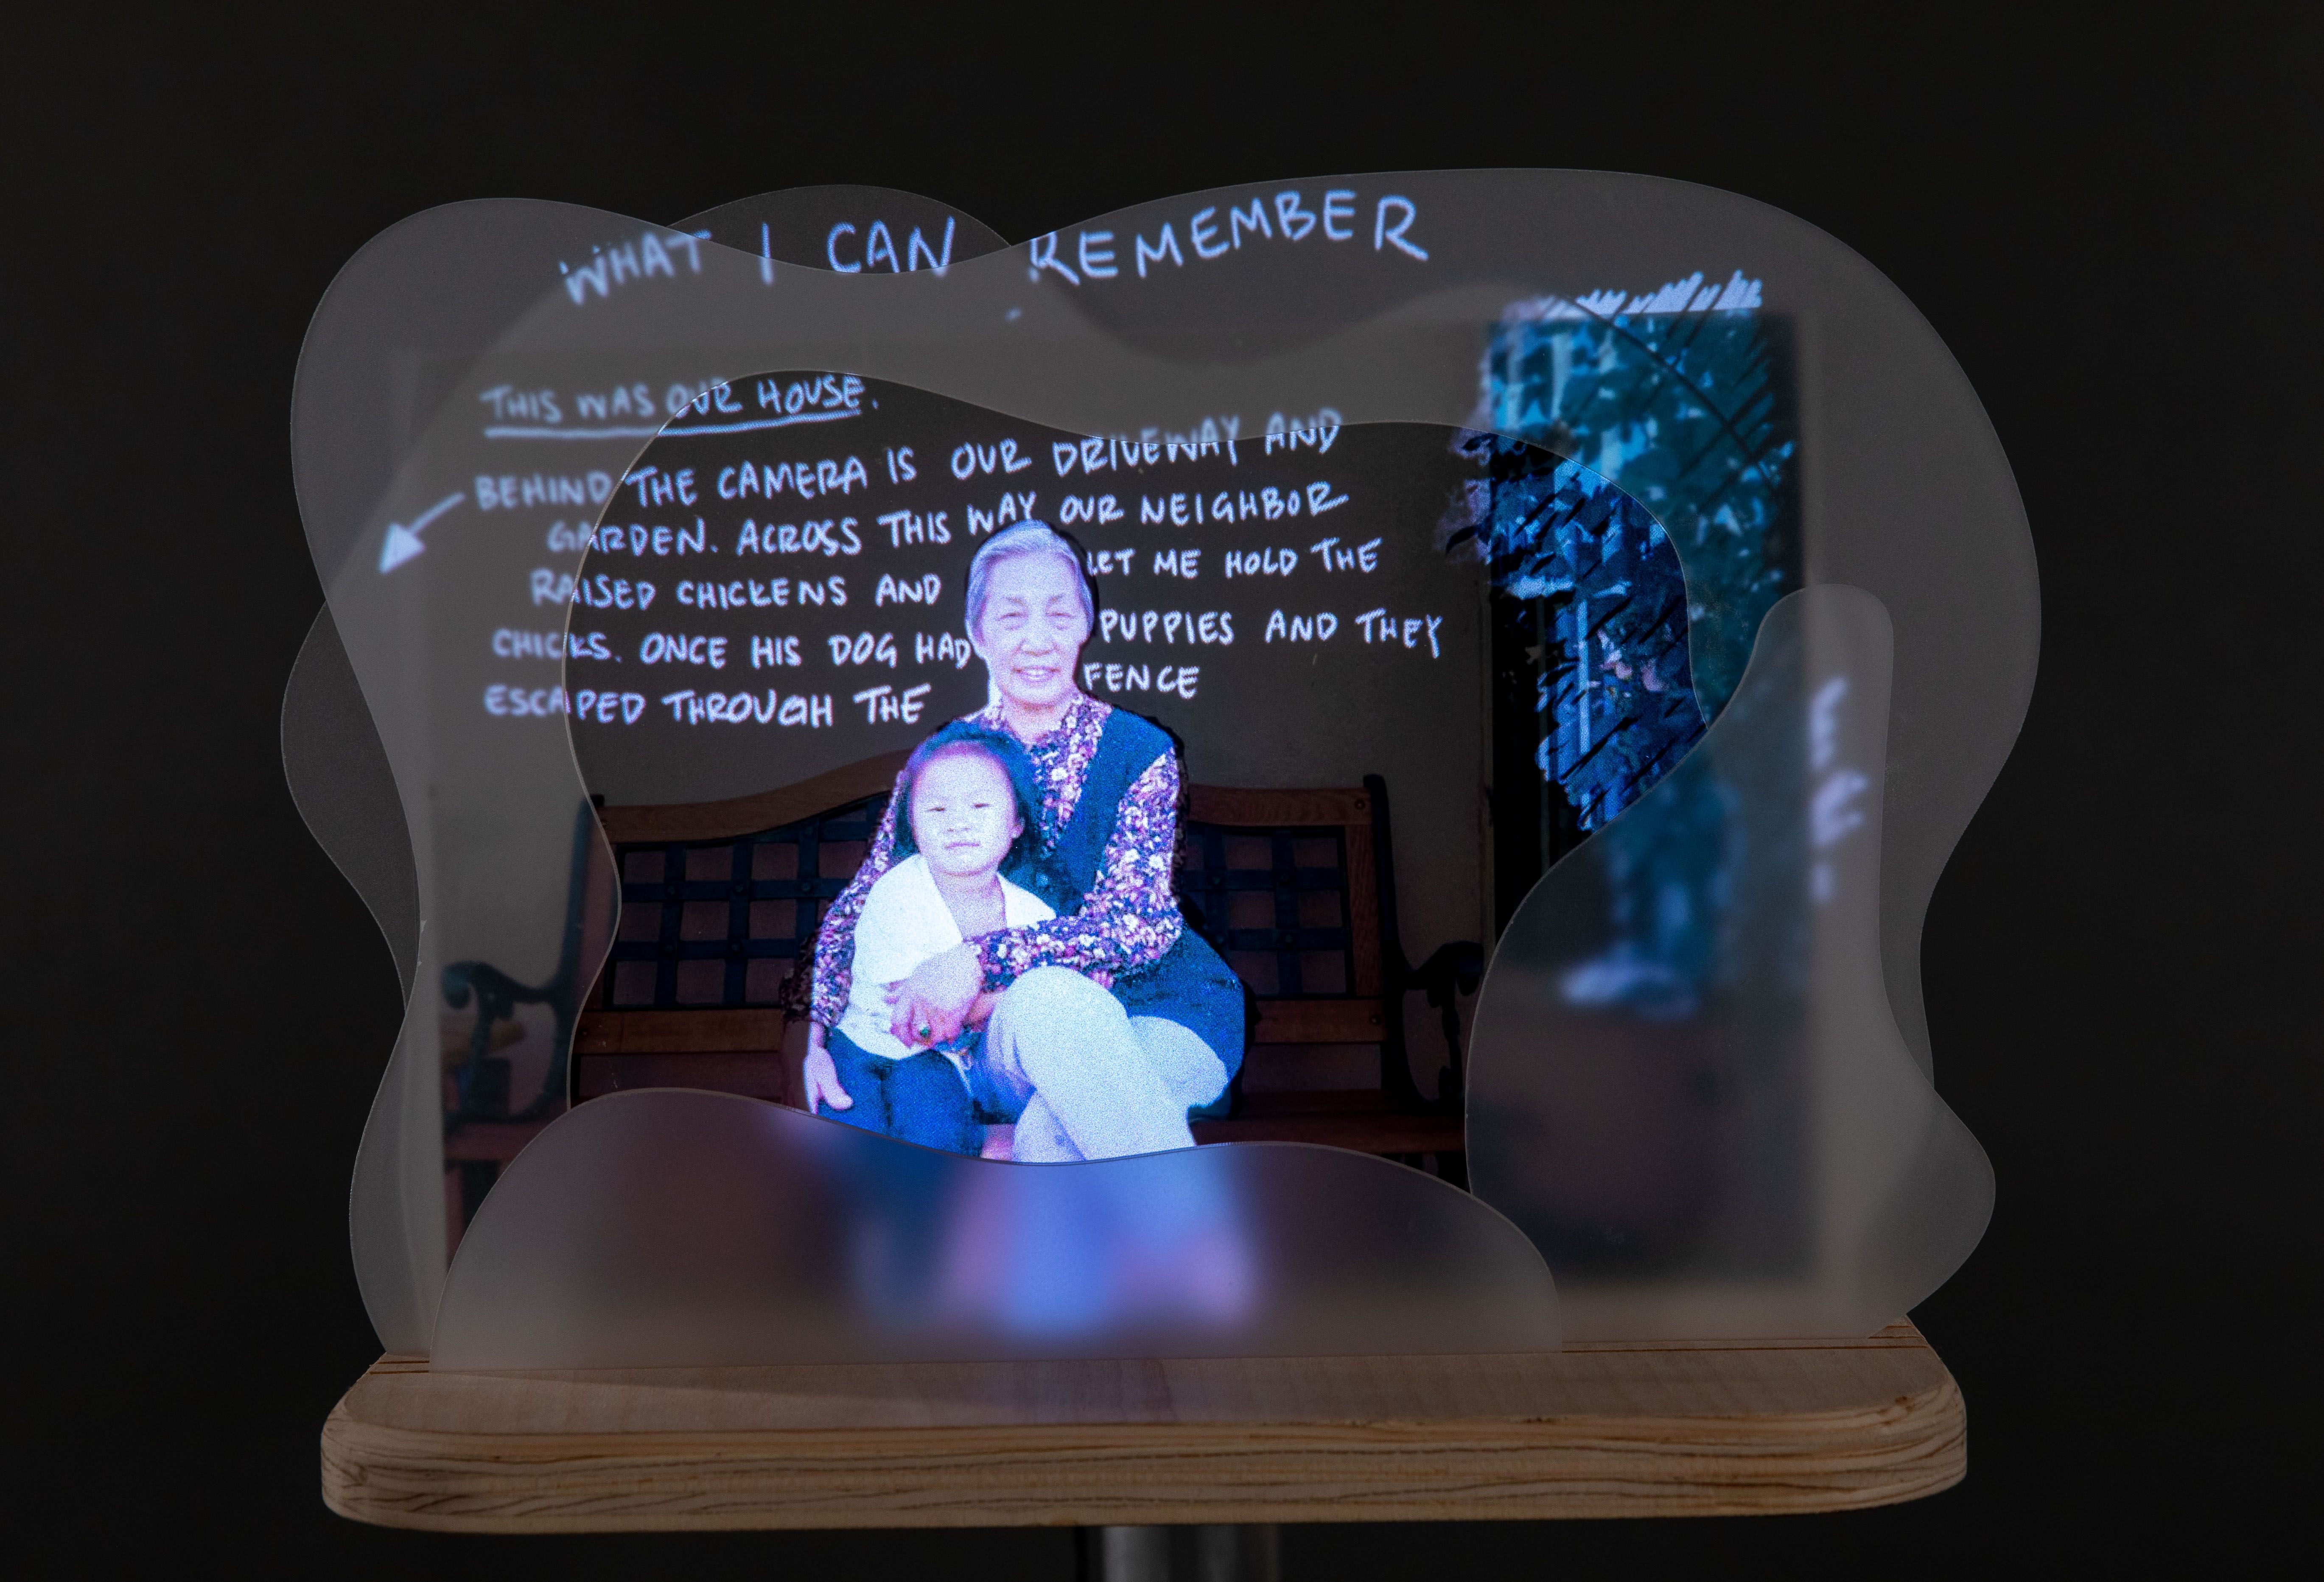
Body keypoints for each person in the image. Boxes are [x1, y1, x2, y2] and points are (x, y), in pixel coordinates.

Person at [804, 520, 1246, 1162]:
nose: (1037, 639)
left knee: (1049, 1138)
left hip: (1162, 1010)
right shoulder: (947, 758)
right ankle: (1194, 1224)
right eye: (1011, 616)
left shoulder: (1140, 751)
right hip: (1000, 1035)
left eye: (1059, 614)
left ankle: (1147, 1222)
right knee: (1049, 999)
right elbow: (861, 903)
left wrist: (976, 959)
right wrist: (817, 1041)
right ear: (977, 633)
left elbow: (1139, 926)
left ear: (1084, 626)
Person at [816, 724, 1056, 1154]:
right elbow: (917, 1020)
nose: (958, 823)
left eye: (980, 805)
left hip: (937, 1060)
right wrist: (1006, 998)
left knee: (939, 1136)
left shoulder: (1033, 916)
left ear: (1017, 823)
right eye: (937, 809)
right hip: (864, 1046)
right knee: (850, 1137)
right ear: (911, 824)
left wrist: (986, 1002)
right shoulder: (897, 892)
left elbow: (1056, 990)